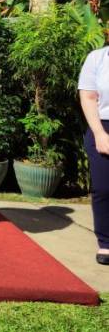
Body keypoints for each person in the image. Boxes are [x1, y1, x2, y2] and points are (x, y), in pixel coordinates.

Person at [78, 43, 109, 265]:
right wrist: (99, 133)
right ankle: (106, 243)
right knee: (103, 188)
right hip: (103, 126)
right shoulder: (97, 58)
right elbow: (88, 97)